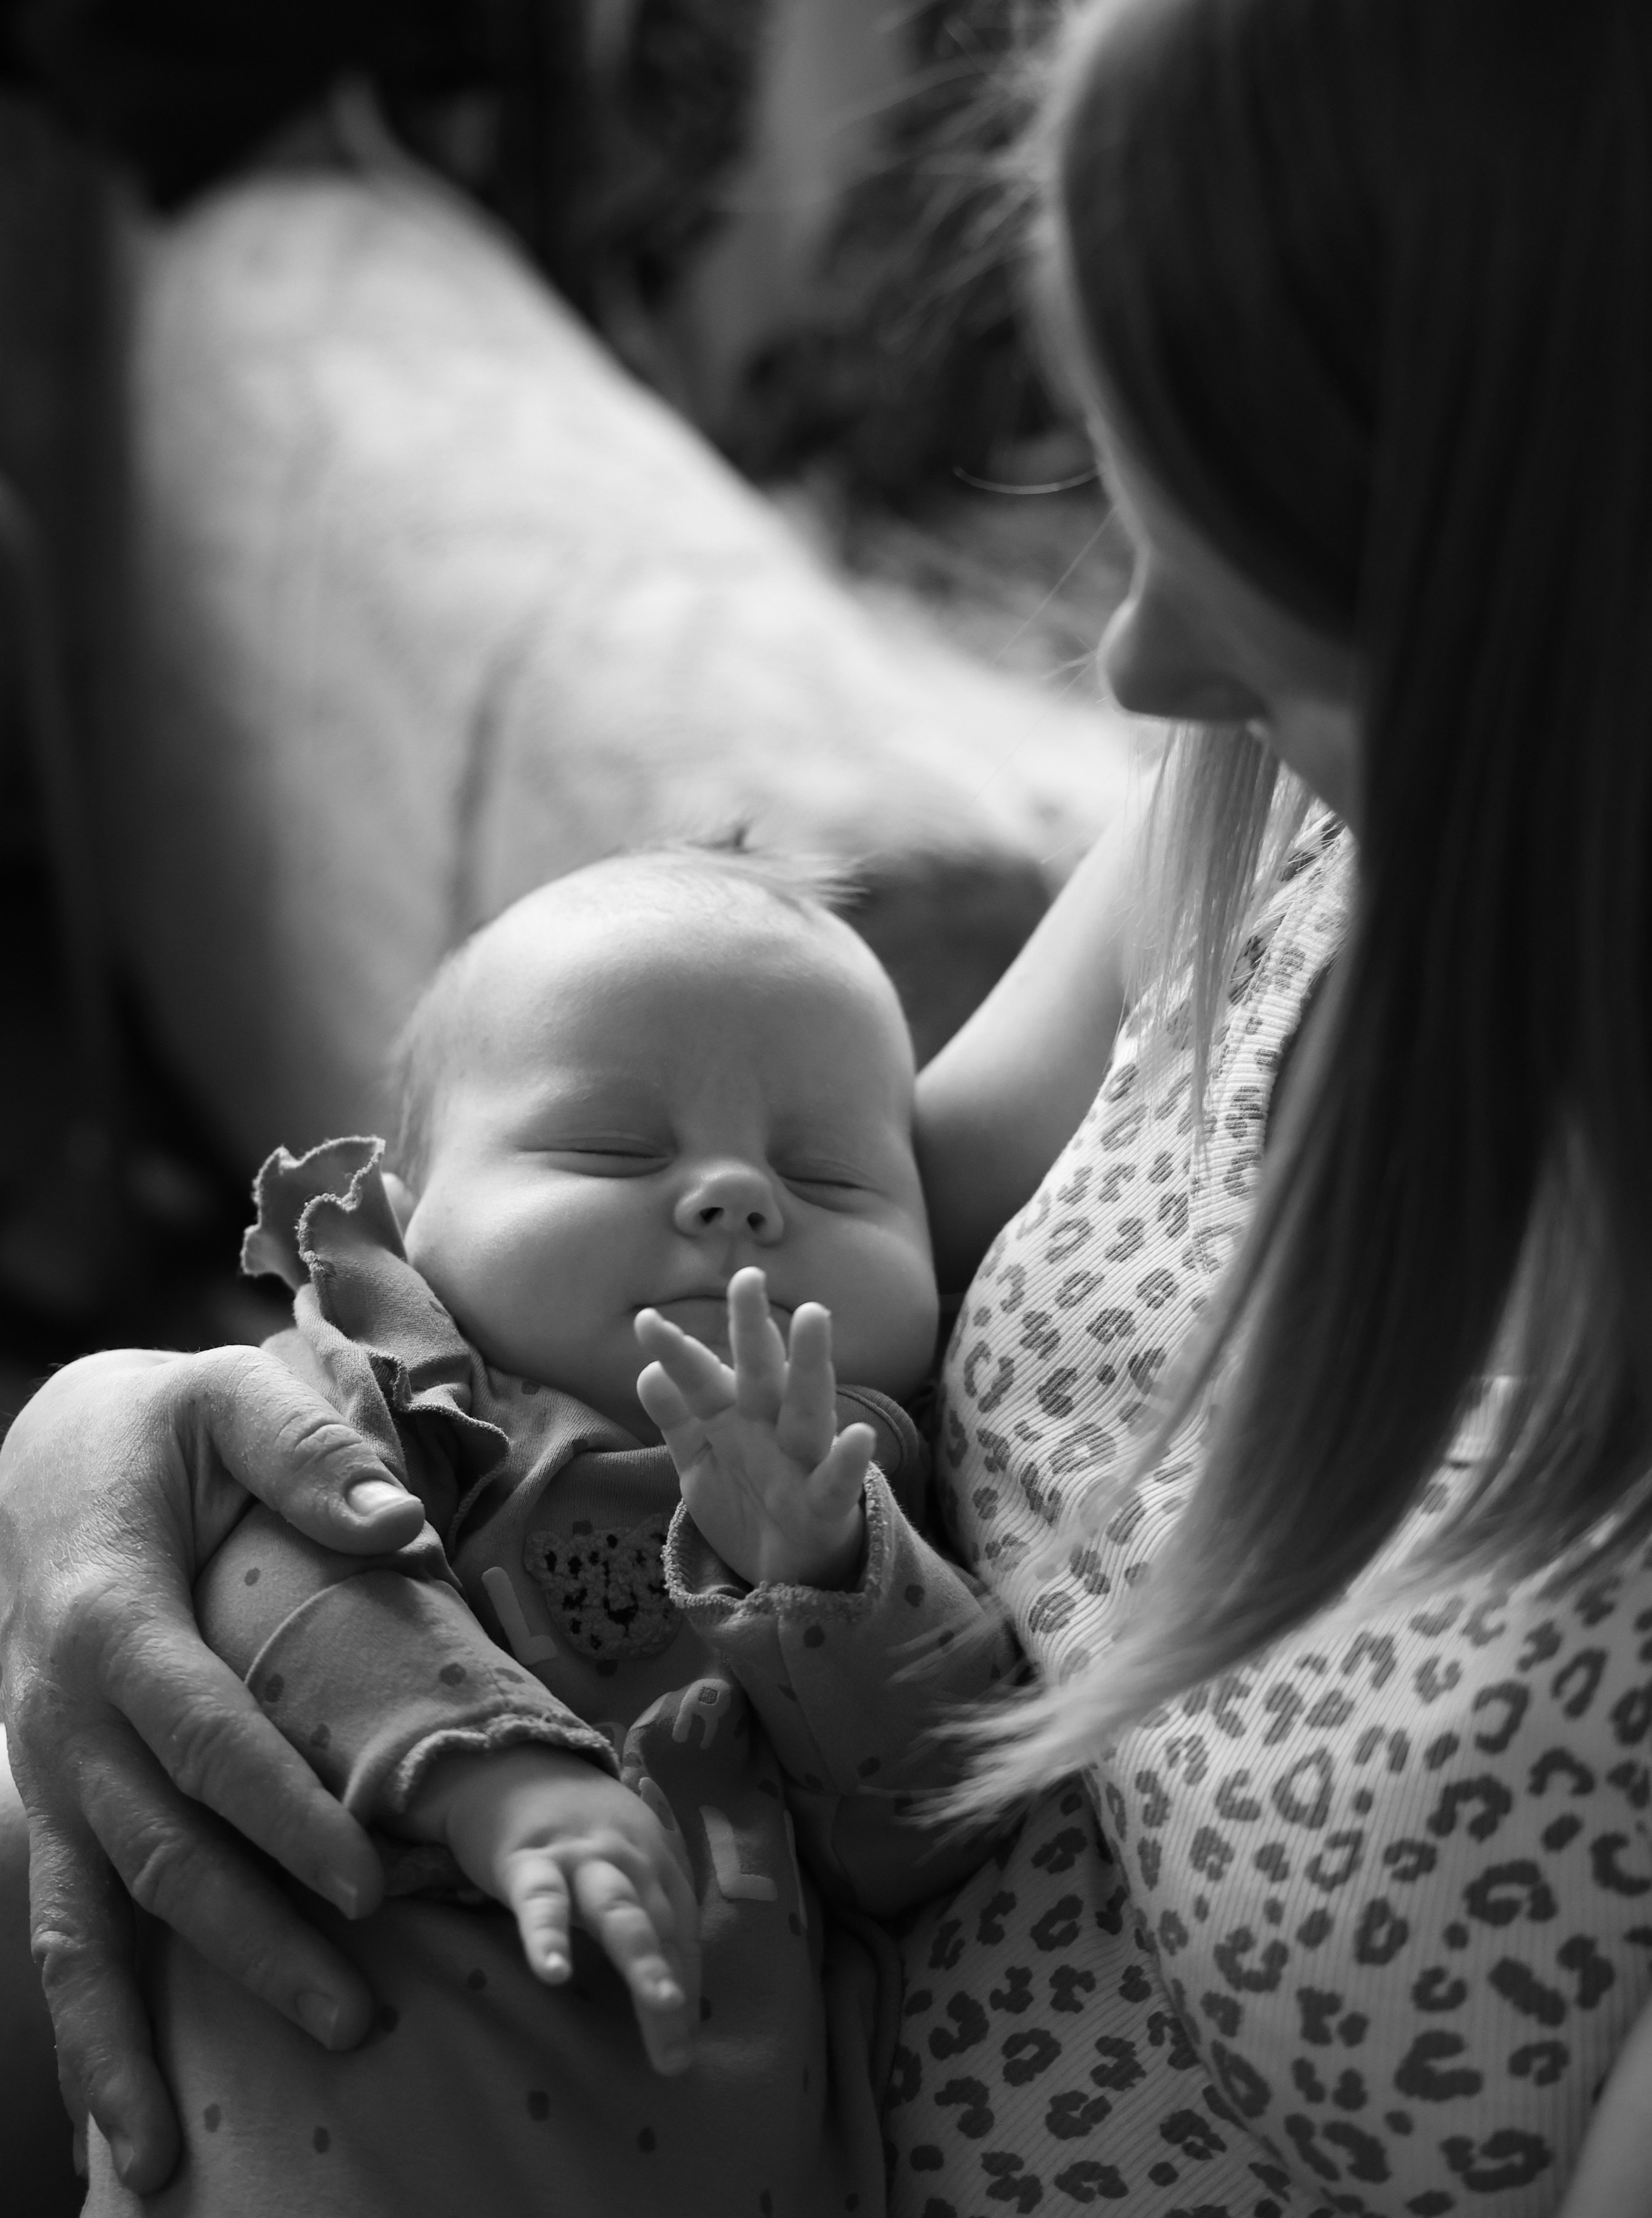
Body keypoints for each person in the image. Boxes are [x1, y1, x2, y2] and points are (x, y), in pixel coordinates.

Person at [7, 0, 1652, 2212]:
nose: (1136, 681)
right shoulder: (1295, 831)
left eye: (1304, 585)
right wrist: (110, 1440)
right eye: (1131, 504)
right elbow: (734, 1244)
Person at [80, 847, 1014, 2215]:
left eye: (828, 1178)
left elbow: (928, 1829)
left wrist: (824, 1575)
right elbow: (258, 1583)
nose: (736, 1201)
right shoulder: (382, 1393)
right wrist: (495, 1782)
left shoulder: (874, 1498)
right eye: (611, 1148)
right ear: (404, 1223)